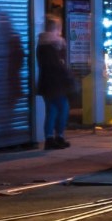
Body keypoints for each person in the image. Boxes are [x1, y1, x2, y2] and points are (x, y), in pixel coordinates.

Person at [36, 14, 72, 150]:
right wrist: (68, 77)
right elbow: (57, 66)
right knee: (63, 108)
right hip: (55, 83)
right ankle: (58, 136)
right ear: (55, 28)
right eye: (59, 27)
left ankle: (51, 138)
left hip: (47, 83)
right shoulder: (51, 44)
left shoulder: (43, 43)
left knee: (52, 110)